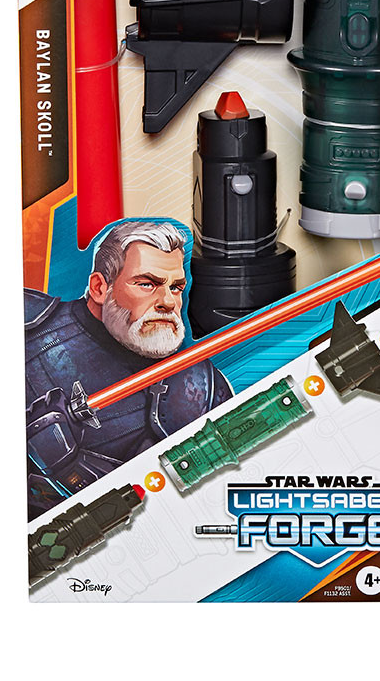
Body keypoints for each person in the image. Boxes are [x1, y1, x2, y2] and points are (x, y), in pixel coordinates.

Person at [24, 220, 232, 517]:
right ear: (99, 287)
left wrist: (69, 470)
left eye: (176, 287)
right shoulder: (27, 326)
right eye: (147, 284)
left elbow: (200, 505)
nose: (168, 302)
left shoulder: (199, 386)